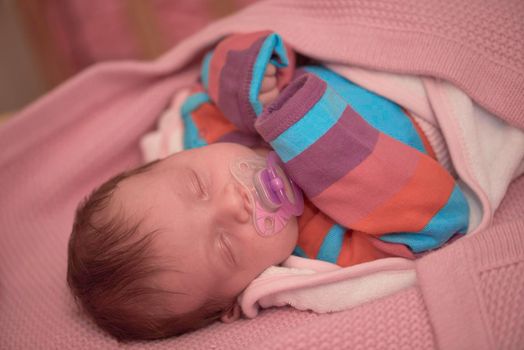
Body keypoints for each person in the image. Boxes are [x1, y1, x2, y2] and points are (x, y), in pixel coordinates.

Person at [67, 32, 469, 341]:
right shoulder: (326, 250)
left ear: (172, 158)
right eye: (225, 245)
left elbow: (220, 64)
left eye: (197, 185)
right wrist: (308, 136)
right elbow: (439, 219)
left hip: (382, 49)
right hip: (438, 112)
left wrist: (253, 82)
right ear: (235, 302)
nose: (232, 204)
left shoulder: (210, 128)